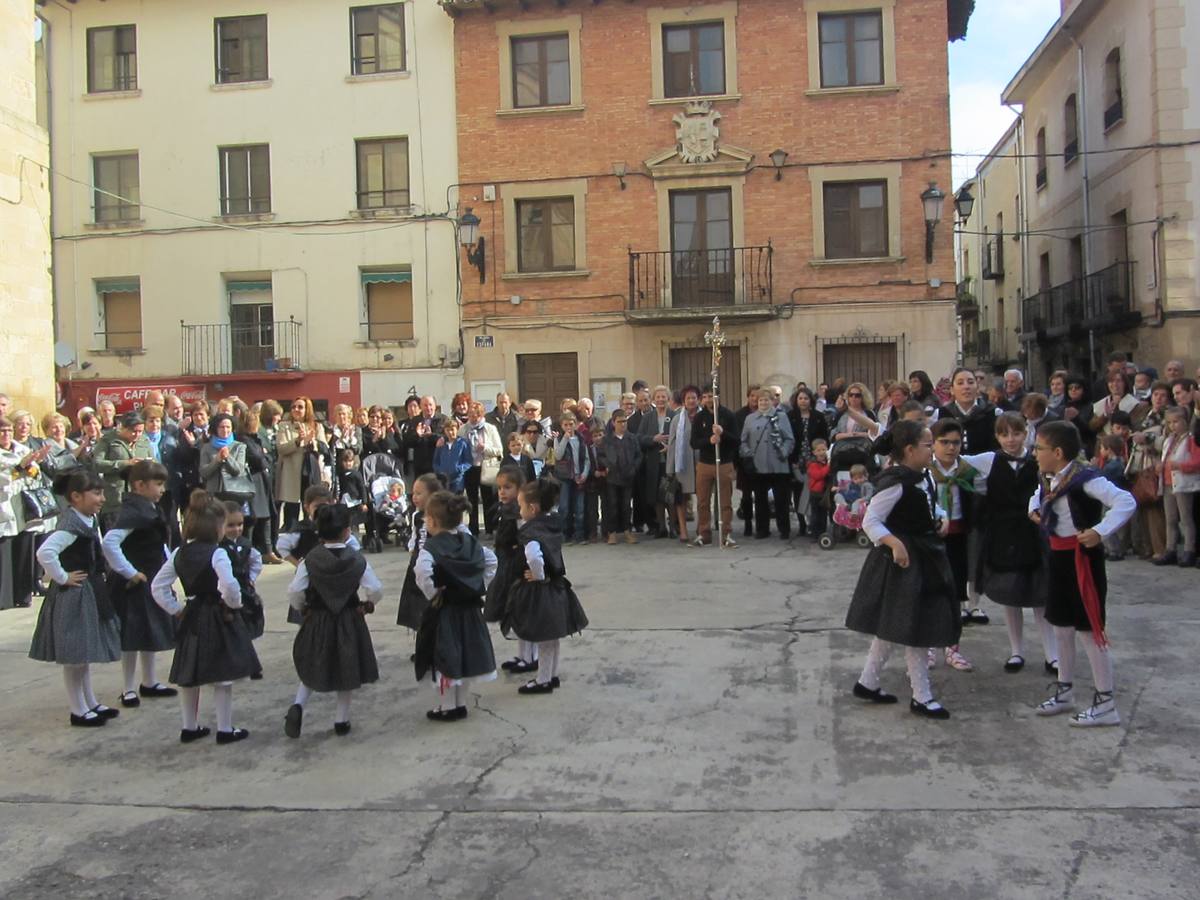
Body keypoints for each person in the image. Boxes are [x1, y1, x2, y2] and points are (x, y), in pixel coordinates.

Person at [846, 420, 959, 719]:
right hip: (905, 563)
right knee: (915, 627)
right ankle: (921, 696)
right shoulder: (896, 483)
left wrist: (942, 519)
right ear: (909, 450)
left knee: (897, 623)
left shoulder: (925, 477)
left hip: (926, 556)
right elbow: (870, 521)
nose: (933, 449)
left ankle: (867, 682)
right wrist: (894, 544)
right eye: (927, 445)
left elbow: (934, 507)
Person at [1030, 420, 1135, 727]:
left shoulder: (1086, 480)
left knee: (1090, 630)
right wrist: (1033, 509)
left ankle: (1106, 702)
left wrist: (1099, 531)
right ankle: (1065, 691)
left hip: (1082, 560)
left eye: (1039, 448)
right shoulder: (1049, 476)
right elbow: (1038, 495)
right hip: (1059, 559)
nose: (1035, 453)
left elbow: (1125, 501)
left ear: (1058, 452)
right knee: (1061, 625)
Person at [152, 494, 259, 744]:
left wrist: (176, 608)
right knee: (222, 676)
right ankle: (224, 728)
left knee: (189, 674)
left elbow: (158, 586)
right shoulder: (217, 553)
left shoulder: (179, 552)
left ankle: (189, 727)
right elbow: (230, 585)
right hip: (217, 614)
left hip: (191, 615)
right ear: (216, 527)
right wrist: (234, 604)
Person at [961, 413, 1058, 674]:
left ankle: (1053, 655)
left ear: (1025, 433)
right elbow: (953, 461)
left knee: (1040, 596)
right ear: (997, 437)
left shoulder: (1039, 458)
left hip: (1034, 532)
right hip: (1003, 535)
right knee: (1010, 596)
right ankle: (1016, 652)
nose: (1010, 439)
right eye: (1004, 434)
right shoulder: (990, 460)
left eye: (1015, 433)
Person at [29, 470, 123, 727]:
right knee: (75, 656)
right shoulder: (70, 525)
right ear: (76, 496)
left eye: (102, 492)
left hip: (89, 591)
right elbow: (45, 552)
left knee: (84, 654)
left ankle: (90, 701)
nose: (102, 498)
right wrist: (62, 577)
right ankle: (77, 709)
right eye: (96, 493)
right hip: (74, 597)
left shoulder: (88, 519)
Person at [284, 504, 382, 738]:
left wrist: (303, 608)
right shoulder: (356, 559)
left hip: (318, 618)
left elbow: (295, 591)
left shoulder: (310, 559)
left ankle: (298, 705)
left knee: (312, 664)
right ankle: (341, 720)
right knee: (347, 667)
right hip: (348, 619)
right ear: (347, 531)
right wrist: (368, 605)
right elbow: (375, 588)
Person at [100, 460, 178, 708]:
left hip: (152, 578)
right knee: (132, 637)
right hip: (134, 584)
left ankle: (150, 681)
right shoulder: (134, 511)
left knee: (149, 631)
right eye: (157, 484)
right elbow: (110, 543)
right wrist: (129, 572)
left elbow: (159, 543)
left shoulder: (150, 507)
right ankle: (127, 688)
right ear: (139, 485)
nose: (162, 489)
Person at [414, 491, 498, 720]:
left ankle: (449, 706)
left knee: (446, 656)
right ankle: (460, 703)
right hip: (470, 609)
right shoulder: (469, 541)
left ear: (431, 521)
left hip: (446, 610)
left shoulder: (432, 547)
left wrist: (434, 594)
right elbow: (491, 560)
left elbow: (421, 573)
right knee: (467, 654)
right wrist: (479, 584)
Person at [503, 476, 588, 695]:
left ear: (532, 508)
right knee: (552, 638)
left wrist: (538, 575)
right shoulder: (552, 525)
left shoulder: (530, 531)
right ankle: (551, 675)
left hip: (542, 591)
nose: (520, 511)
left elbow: (534, 556)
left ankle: (542, 680)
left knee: (543, 637)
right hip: (557, 587)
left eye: (521, 506)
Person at [927, 418, 980, 673]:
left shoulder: (967, 470)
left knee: (956, 593)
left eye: (956, 442)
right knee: (929, 591)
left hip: (959, 536)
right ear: (933, 443)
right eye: (944, 442)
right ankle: (927, 647)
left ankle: (952, 648)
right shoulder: (926, 471)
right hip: (931, 537)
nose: (950, 448)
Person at [486, 468, 537, 672]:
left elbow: (527, 538)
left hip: (518, 568)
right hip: (506, 564)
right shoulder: (504, 509)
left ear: (519, 489)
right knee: (514, 613)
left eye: (507, 487)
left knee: (523, 613)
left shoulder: (519, 512)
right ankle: (523, 655)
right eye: (499, 488)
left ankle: (531, 657)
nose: (502, 492)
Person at [741, 388, 796, 540]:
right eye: (760, 400)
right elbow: (743, 440)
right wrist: (748, 453)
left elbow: (789, 439)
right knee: (760, 500)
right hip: (758, 466)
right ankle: (762, 529)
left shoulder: (781, 417)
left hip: (778, 465)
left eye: (766, 400)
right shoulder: (750, 419)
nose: (763, 403)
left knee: (781, 500)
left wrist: (783, 453)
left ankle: (784, 529)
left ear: (772, 401)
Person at [396, 472, 446, 631]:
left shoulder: (439, 516)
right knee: (417, 606)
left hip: (434, 564)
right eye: (414, 493)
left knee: (433, 602)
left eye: (419, 493)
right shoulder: (416, 515)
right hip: (417, 562)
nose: (414, 497)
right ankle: (421, 641)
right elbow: (414, 535)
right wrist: (412, 549)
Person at [690, 385, 738, 547]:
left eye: (711, 396)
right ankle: (703, 534)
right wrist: (709, 440)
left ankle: (726, 534)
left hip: (724, 463)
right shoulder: (699, 417)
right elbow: (694, 443)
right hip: (705, 464)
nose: (708, 399)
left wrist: (723, 433)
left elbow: (736, 441)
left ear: (718, 396)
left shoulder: (728, 415)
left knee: (725, 502)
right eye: (705, 396)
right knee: (702, 501)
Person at [92, 412, 154, 529]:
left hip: (140, 498)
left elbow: (154, 462)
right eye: (133, 431)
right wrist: (124, 463)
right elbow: (97, 463)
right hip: (116, 499)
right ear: (122, 427)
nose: (137, 435)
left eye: (140, 431)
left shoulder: (144, 441)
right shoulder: (108, 440)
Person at [275, 397, 330, 531]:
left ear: (307, 410)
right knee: (291, 510)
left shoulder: (317, 427)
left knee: (311, 506)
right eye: (294, 407)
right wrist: (299, 441)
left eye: (300, 407)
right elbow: (281, 448)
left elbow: (324, 449)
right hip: (292, 473)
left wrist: (312, 442)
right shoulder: (284, 426)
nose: (296, 410)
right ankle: (290, 538)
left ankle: (312, 537)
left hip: (311, 471)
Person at [1156, 407, 1200, 567]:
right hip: (1168, 483)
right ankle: (1170, 549)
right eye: (1169, 423)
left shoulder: (1191, 439)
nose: (1172, 426)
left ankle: (1189, 550)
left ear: (1185, 422)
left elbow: (1197, 462)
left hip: (1184, 484)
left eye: (1176, 422)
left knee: (1186, 519)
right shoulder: (1169, 440)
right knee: (1171, 519)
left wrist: (1180, 465)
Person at [219, 500, 265, 654]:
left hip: (244, 588)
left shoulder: (245, 544)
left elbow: (256, 561)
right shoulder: (218, 547)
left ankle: (244, 654)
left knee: (246, 621)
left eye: (240, 524)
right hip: (226, 591)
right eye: (230, 525)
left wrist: (251, 578)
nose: (237, 529)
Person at [597, 409, 644, 545]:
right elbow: (600, 455)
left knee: (626, 505)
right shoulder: (606, 440)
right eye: (620, 422)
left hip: (628, 477)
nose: (623, 424)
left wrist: (634, 468)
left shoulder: (632, 438)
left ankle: (627, 531)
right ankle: (612, 533)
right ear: (613, 423)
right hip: (612, 477)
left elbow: (638, 455)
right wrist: (608, 465)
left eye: (625, 421)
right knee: (613, 505)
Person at [637, 385, 673, 538]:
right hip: (653, 462)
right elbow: (639, 438)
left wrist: (670, 446)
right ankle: (661, 527)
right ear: (653, 400)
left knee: (671, 495)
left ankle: (674, 527)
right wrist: (653, 439)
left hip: (670, 462)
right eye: (657, 397)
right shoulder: (647, 418)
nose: (660, 400)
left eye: (663, 396)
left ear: (668, 398)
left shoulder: (675, 415)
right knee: (657, 496)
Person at [463, 401, 503, 537]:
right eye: (470, 416)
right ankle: (473, 529)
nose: (473, 419)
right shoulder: (464, 429)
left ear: (481, 415)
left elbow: (499, 450)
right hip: (470, 468)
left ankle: (490, 529)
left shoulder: (490, 428)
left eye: (476, 416)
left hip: (486, 467)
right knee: (471, 499)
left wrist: (485, 448)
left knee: (489, 499)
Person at [666, 387, 700, 544]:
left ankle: (702, 527)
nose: (691, 401)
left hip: (701, 463)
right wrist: (670, 468)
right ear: (684, 401)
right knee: (681, 498)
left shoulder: (705, 416)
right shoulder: (676, 419)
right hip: (683, 465)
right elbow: (672, 445)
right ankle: (683, 530)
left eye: (694, 398)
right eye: (688, 398)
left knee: (703, 499)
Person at [937, 368, 999, 454]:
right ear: (952, 390)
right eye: (960, 383)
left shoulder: (992, 412)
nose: (966, 387)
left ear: (977, 388)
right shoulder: (941, 414)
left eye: (970, 382)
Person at [553, 413, 592, 544]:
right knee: (564, 507)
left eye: (571, 424)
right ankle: (565, 534)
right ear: (561, 426)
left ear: (576, 424)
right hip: (565, 477)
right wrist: (564, 438)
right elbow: (558, 455)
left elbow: (587, 460)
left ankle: (579, 534)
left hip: (579, 476)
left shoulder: (581, 439)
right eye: (566, 425)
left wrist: (584, 475)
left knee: (579, 508)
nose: (569, 427)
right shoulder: (559, 439)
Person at [199, 413, 248, 499]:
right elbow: (204, 473)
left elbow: (239, 471)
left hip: (234, 492)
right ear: (215, 429)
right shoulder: (207, 447)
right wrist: (216, 461)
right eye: (222, 427)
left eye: (228, 427)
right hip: (213, 493)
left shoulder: (239, 446)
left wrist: (227, 457)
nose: (225, 430)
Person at [734, 384, 762, 536]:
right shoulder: (739, 415)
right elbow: (738, 438)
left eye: (758, 397)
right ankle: (747, 523)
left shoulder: (765, 413)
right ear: (748, 397)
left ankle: (760, 524)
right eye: (752, 396)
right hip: (745, 461)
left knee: (760, 494)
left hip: (762, 460)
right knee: (746, 495)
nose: (755, 399)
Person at [405, 395, 446, 479]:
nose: (428, 408)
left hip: (438, 462)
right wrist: (417, 435)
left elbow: (446, 437)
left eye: (430, 405)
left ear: (435, 406)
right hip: (420, 464)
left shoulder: (443, 419)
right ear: (421, 406)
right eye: (425, 405)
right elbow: (407, 441)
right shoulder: (415, 420)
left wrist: (431, 435)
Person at [433, 417, 472, 495]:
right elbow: (435, 461)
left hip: (457, 480)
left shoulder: (462, 443)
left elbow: (468, 461)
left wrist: (459, 469)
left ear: (457, 430)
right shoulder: (441, 444)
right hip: (443, 480)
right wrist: (439, 470)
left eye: (452, 429)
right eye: (448, 430)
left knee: (456, 502)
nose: (450, 432)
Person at [805, 439, 832, 541]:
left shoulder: (827, 462)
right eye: (819, 450)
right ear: (814, 452)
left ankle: (822, 532)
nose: (822, 452)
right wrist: (828, 467)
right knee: (815, 514)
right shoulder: (812, 464)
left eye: (824, 449)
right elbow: (818, 475)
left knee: (823, 514)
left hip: (824, 493)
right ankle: (815, 533)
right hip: (815, 493)